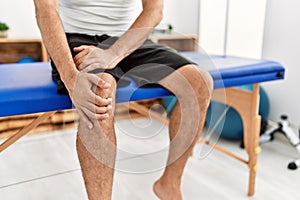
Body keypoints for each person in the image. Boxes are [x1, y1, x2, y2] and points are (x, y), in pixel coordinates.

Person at [33, 0, 213, 199]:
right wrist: (72, 79)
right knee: (98, 92)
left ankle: (169, 185)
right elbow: (46, 10)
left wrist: (113, 53)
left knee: (199, 83)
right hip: (78, 40)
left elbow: (154, 10)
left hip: (129, 39)